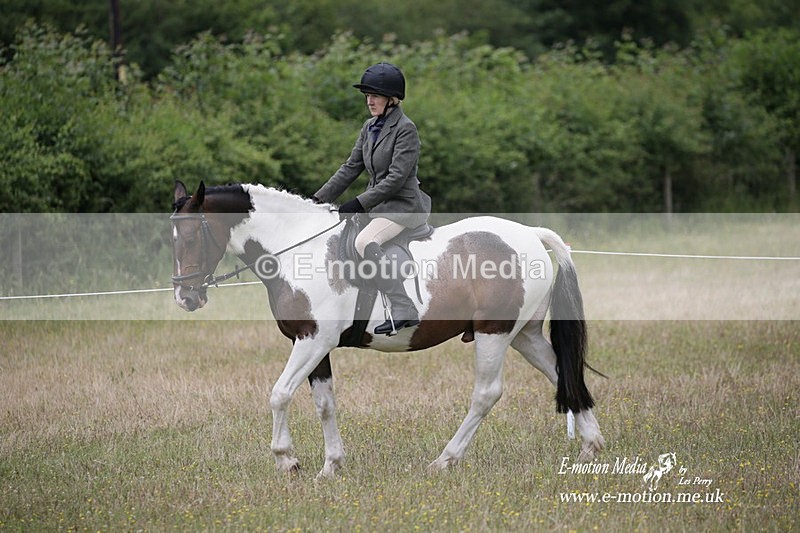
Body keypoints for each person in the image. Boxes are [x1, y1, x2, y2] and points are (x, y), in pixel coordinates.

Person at [313, 62, 431, 335]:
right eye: (367, 95)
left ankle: (403, 308)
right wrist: (317, 200)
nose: (370, 101)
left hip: (403, 207)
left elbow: (396, 179)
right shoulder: (369, 127)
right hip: (378, 206)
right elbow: (350, 167)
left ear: (393, 99)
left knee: (364, 241)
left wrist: (359, 202)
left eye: (375, 95)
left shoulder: (406, 129)